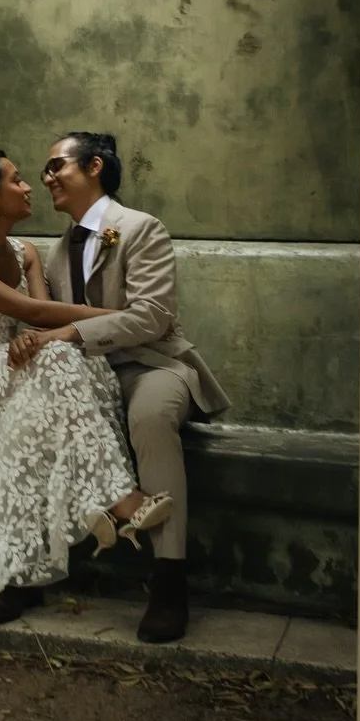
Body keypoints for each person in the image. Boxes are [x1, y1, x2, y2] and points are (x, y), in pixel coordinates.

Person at [0, 149, 173, 625]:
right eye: (17, 180)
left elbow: (40, 326)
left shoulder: (26, 254)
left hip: (11, 365)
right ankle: (116, 497)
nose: (29, 188)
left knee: (65, 366)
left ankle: (24, 574)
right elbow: (38, 314)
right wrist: (126, 317)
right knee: (61, 362)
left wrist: (36, 344)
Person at [35, 131, 230, 644]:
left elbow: (151, 318)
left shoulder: (141, 229)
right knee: (34, 412)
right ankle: (27, 567)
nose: (48, 178)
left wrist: (71, 332)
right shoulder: (54, 254)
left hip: (155, 366)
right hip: (91, 373)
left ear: (94, 166)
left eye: (57, 166)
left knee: (148, 417)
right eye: (43, 173)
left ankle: (169, 583)